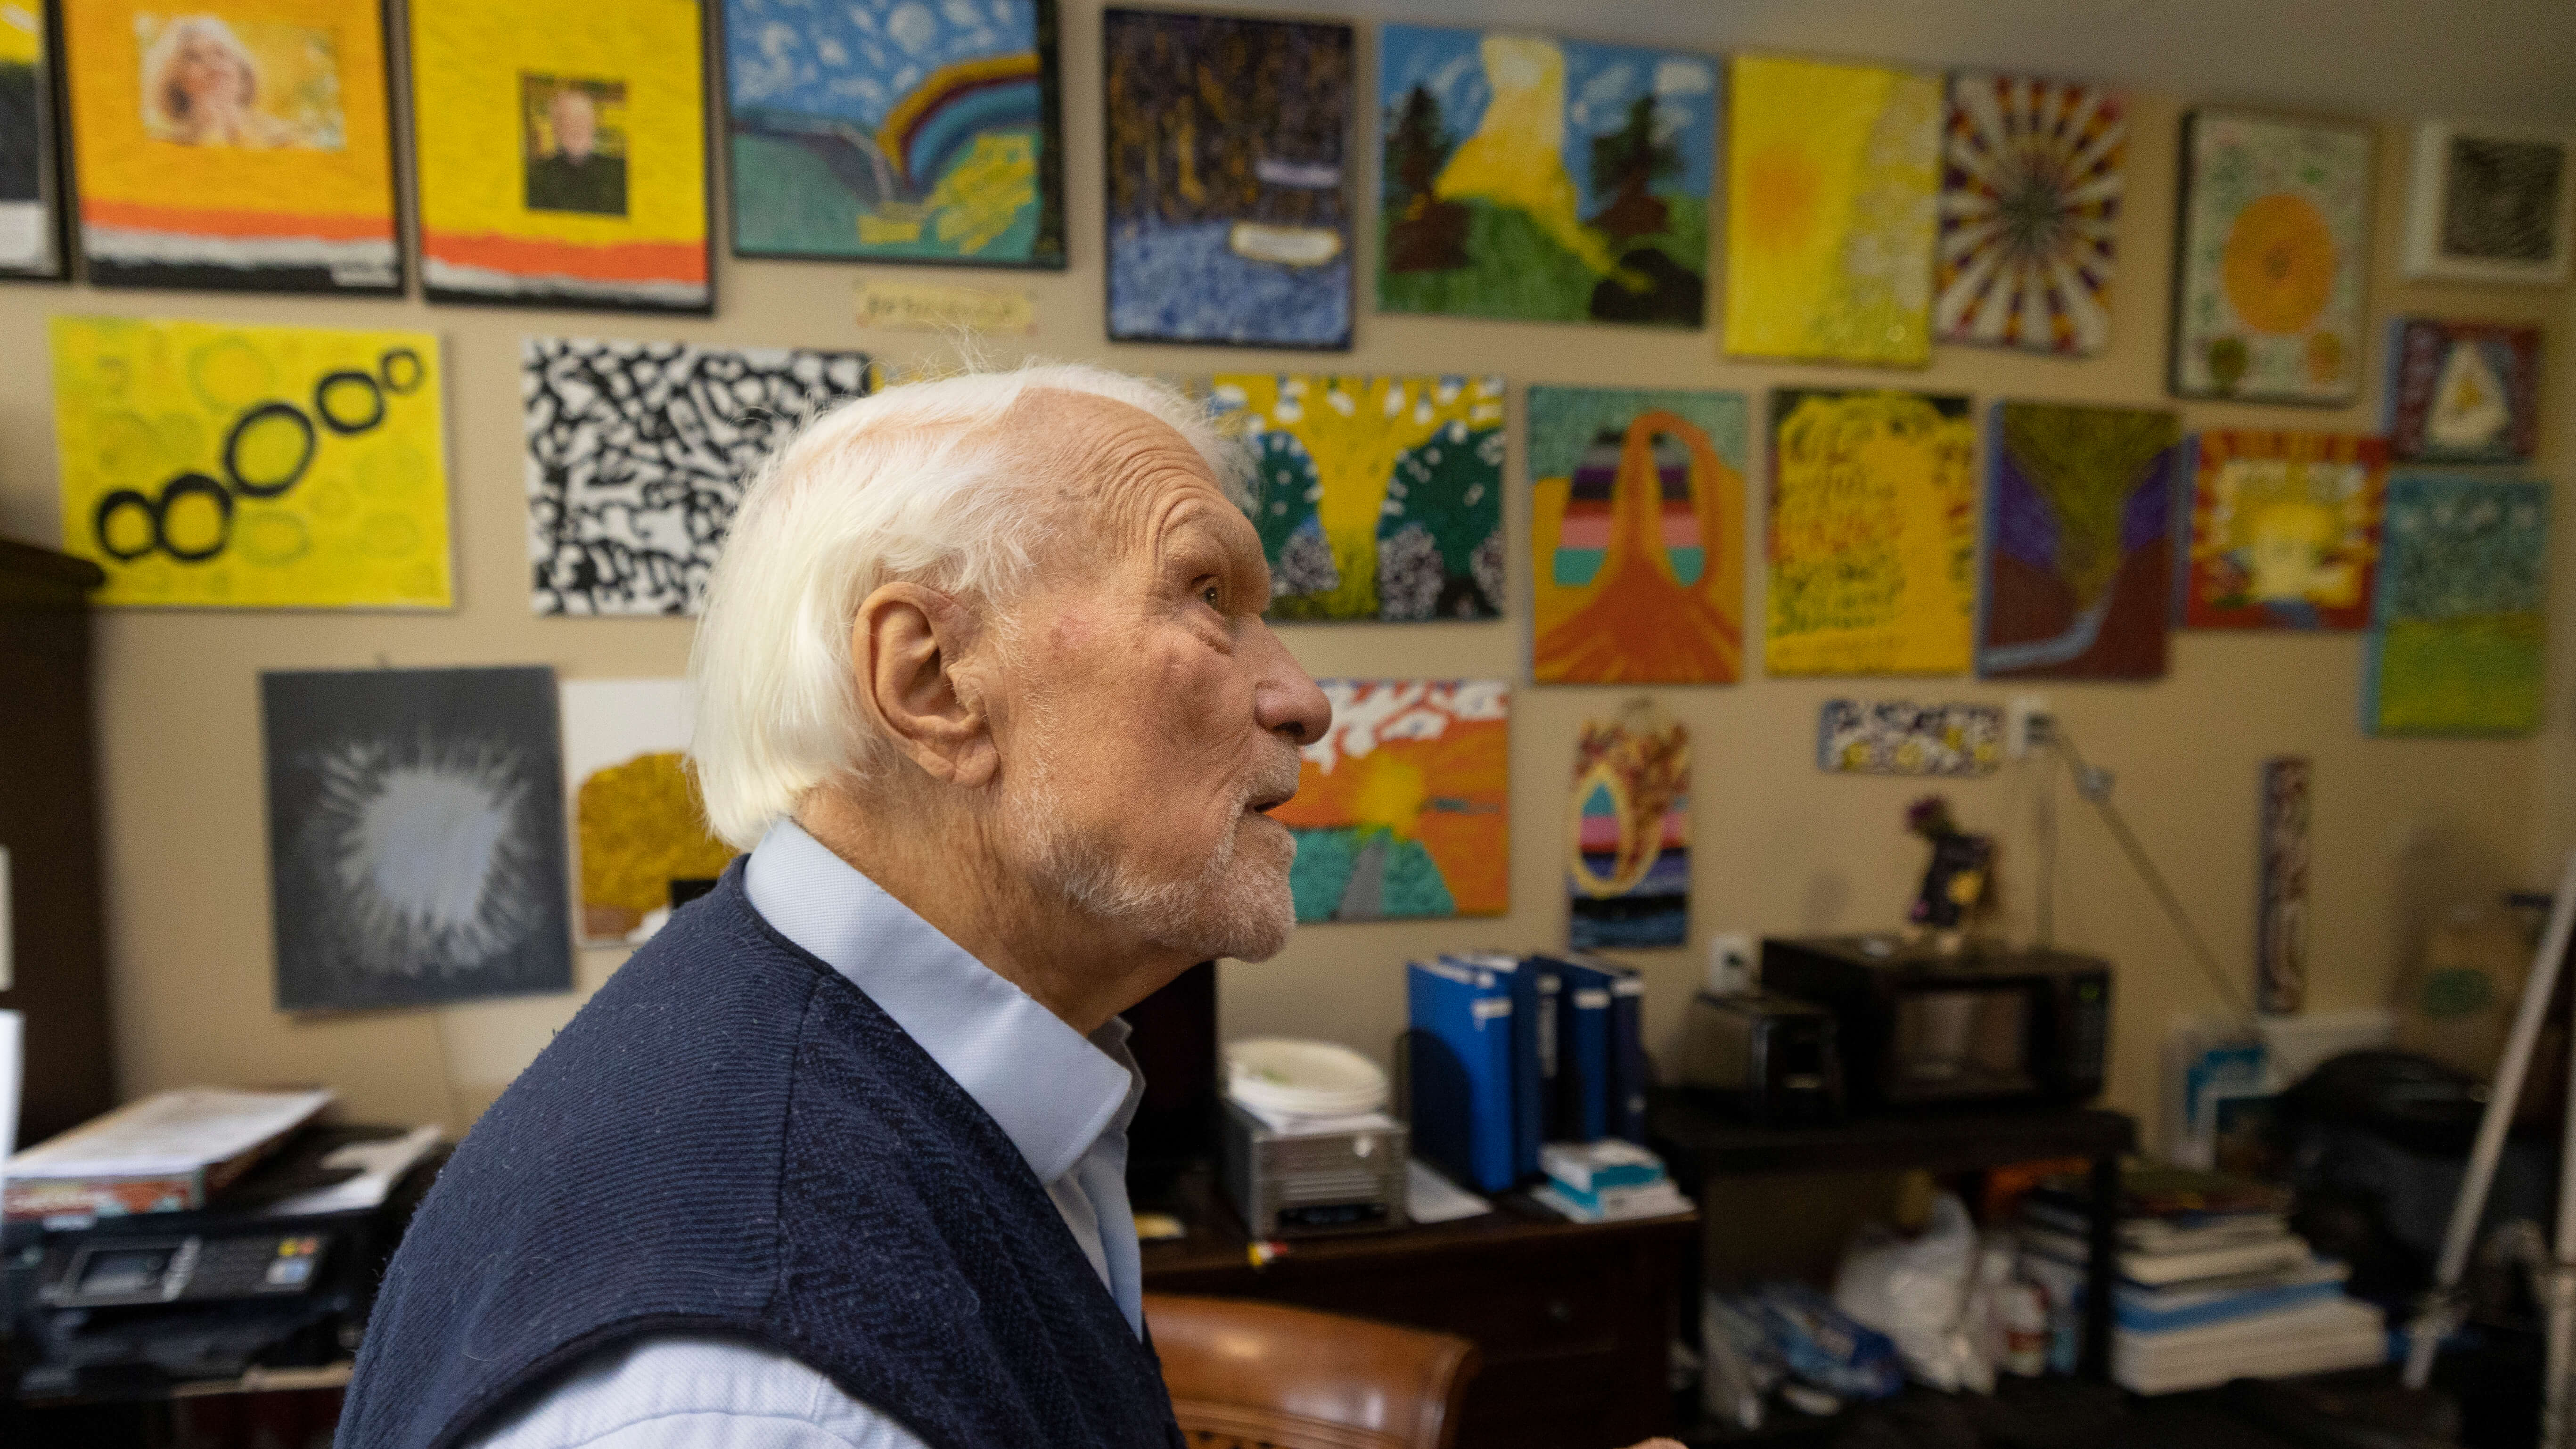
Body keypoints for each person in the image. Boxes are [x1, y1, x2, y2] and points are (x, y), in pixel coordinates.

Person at [334, 364, 1683, 1449]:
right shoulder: (764, 1381)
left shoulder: (906, 1068)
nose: (1304, 698)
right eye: (1208, 597)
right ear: (929, 682)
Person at [141, 15, 299, 148]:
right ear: (177, 82)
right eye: (195, 58)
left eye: (220, 53)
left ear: (242, 73)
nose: (213, 65)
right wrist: (212, 132)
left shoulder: (284, 138)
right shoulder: (165, 144)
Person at [525, 84, 626, 217]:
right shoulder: (538, 177)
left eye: (582, 119)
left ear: (594, 123)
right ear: (557, 128)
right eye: (568, 119)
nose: (577, 127)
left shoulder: (619, 171)